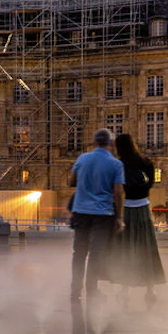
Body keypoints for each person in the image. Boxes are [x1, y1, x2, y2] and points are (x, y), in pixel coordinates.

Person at [105, 133, 166, 298]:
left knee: (125, 248)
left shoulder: (118, 165)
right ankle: (150, 289)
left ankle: (124, 288)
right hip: (143, 207)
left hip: (125, 209)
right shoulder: (146, 162)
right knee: (147, 248)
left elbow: (115, 190)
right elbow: (150, 184)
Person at [68, 129, 124, 303]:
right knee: (95, 254)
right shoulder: (115, 164)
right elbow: (118, 192)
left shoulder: (82, 159)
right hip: (102, 213)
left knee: (79, 253)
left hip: (81, 211)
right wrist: (119, 217)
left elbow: (71, 182)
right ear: (111, 144)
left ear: (94, 142)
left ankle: (75, 290)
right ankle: (92, 290)